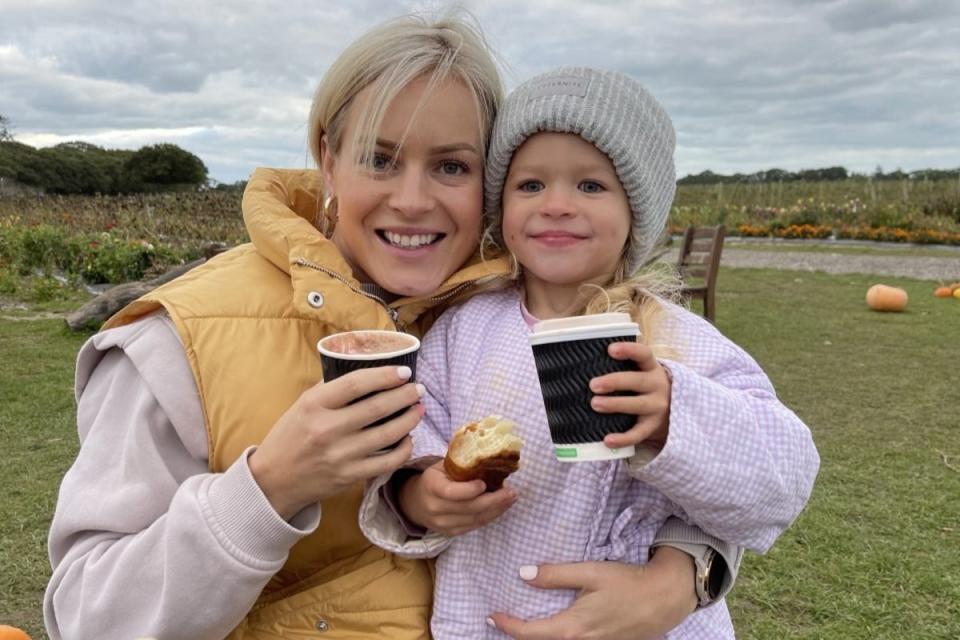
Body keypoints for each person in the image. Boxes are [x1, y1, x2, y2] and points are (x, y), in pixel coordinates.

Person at [45, 16, 741, 640]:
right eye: (380, 159)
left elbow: (681, 468)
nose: (413, 201)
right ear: (328, 159)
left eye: (451, 166)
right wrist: (270, 486)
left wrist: (683, 576)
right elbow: (86, 617)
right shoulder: (180, 339)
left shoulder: (532, 300)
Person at [358, 67, 820, 639]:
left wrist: (673, 414)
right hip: (485, 619)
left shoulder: (674, 340)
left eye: (590, 186)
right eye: (530, 185)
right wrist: (422, 491)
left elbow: (784, 477)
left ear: (637, 213)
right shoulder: (464, 328)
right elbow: (424, 429)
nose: (556, 205)